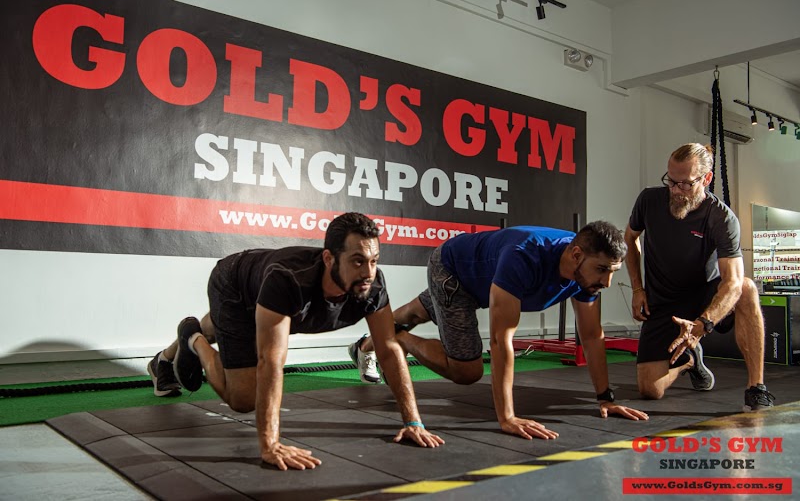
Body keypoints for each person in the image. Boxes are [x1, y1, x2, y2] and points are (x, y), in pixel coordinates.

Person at [148, 212, 444, 471]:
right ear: (329, 259)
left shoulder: (372, 285)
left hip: (263, 295)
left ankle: (166, 358)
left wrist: (413, 422)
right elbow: (270, 361)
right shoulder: (289, 281)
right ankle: (193, 337)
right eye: (357, 261)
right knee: (243, 400)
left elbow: (389, 349)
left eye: (373, 261)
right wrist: (270, 444)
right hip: (235, 287)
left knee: (221, 327)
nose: (368, 272)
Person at [351, 221, 649, 440]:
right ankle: (398, 339)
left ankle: (366, 344)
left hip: (482, 280)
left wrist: (605, 398)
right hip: (454, 271)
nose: (607, 282)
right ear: (576, 255)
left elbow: (592, 335)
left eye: (613, 272)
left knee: (415, 313)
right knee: (466, 370)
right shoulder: (525, 257)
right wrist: (507, 417)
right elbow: (500, 339)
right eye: (602, 270)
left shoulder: (586, 275)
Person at [624, 143, 775, 411]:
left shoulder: (721, 218)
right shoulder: (649, 200)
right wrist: (637, 289)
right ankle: (690, 361)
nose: (675, 190)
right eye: (671, 181)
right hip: (663, 301)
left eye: (685, 184)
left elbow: (732, 282)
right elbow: (630, 238)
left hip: (705, 297)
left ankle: (756, 387)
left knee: (746, 287)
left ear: (706, 179)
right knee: (650, 390)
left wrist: (702, 324)